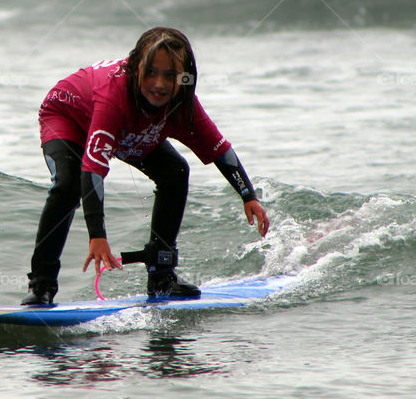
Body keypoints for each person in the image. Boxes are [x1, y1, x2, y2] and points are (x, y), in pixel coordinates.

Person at [22, 27, 269, 305]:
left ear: (184, 76)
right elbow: (92, 169)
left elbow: (219, 148)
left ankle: (162, 276)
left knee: (175, 172)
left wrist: (248, 195)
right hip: (69, 117)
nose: (160, 84)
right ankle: (41, 285)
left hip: (128, 127)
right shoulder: (112, 98)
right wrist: (98, 237)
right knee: (68, 186)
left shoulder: (182, 105)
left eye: (170, 75)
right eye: (151, 72)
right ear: (135, 68)